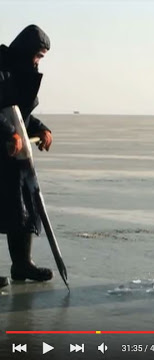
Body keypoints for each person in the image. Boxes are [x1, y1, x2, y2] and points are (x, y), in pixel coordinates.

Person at [0, 25, 55, 288]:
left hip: (12, 156)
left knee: (20, 207)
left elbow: (21, 114)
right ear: (25, 51)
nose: (37, 61)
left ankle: (22, 264)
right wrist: (9, 132)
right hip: (4, 146)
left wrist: (40, 128)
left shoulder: (20, 73)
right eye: (37, 55)